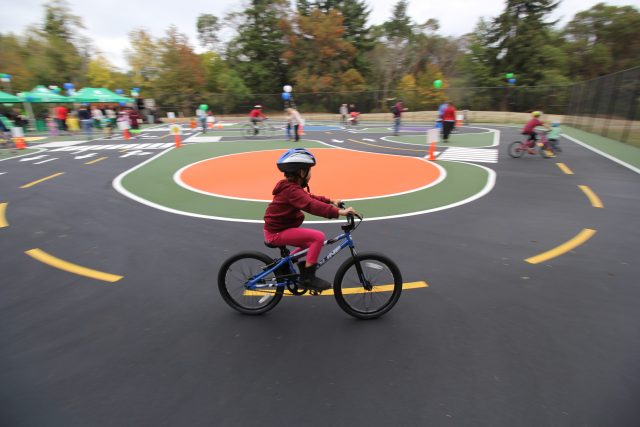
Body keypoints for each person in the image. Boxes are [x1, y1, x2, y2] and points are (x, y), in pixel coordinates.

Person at [263, 148, 358, 291]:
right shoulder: (291, 191)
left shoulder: (292, 188)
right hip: (276, 233)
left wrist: (330, 201)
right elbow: (311, 205)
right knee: (317, 238)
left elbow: (310, 198)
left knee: (310, 243)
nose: (311, 173)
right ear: (301, 172)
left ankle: (284, 265)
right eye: (309, 170)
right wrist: (340, 212)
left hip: (280, 229)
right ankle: (308, 278)